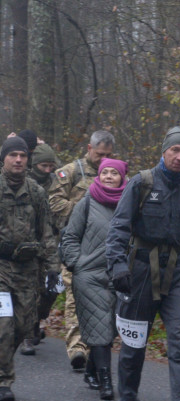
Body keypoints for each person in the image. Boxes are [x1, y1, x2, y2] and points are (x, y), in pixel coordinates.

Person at [105, 127, 180, 401]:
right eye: (175, 151)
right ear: (163, 151)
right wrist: (117, 268)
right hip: (139, 272)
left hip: (179, 272)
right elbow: (119, 227)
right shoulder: (141, 183)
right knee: (134, 345)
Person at [60, 158, 129, 401]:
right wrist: (76, 263)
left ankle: (91, 371)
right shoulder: (87, 201)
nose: (109, 176)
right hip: (88, 276)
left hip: (118, 277)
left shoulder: (130, 203)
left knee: (108, 328)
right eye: (105, 172)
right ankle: (106, 382)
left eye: (114, 173)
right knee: (100, 324)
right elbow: (70, 237)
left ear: (122, 177)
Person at [49, 130, 115, 373]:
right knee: (76, 295)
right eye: (99, 154)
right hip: (76, 244)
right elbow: (54, 203)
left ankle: (96, 348)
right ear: (89, 149)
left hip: (104, 249)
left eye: (108, 155)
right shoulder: (71, 172)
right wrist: (85, 212)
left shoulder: (114, 174)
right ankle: (77, 348)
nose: (102, 160)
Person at [0, 136, 61, 401]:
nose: (18, 160)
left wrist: (53, 268)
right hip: (0, 267)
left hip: (27, 269)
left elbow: (46, 231)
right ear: (3, 159)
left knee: (25, 326)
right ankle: (4, 380)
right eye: (13, 155)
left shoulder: (36, 192)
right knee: (4, 324)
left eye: (23, 156)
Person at [20, 141, 61, 356]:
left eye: (50, 166)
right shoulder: (23, 182)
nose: (47, 170)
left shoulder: (57, 182)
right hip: (26, 245)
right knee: (29, 291)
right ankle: (27, 335)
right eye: (43, 166)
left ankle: (37, 320)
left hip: (51, 242)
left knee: (51, 291)